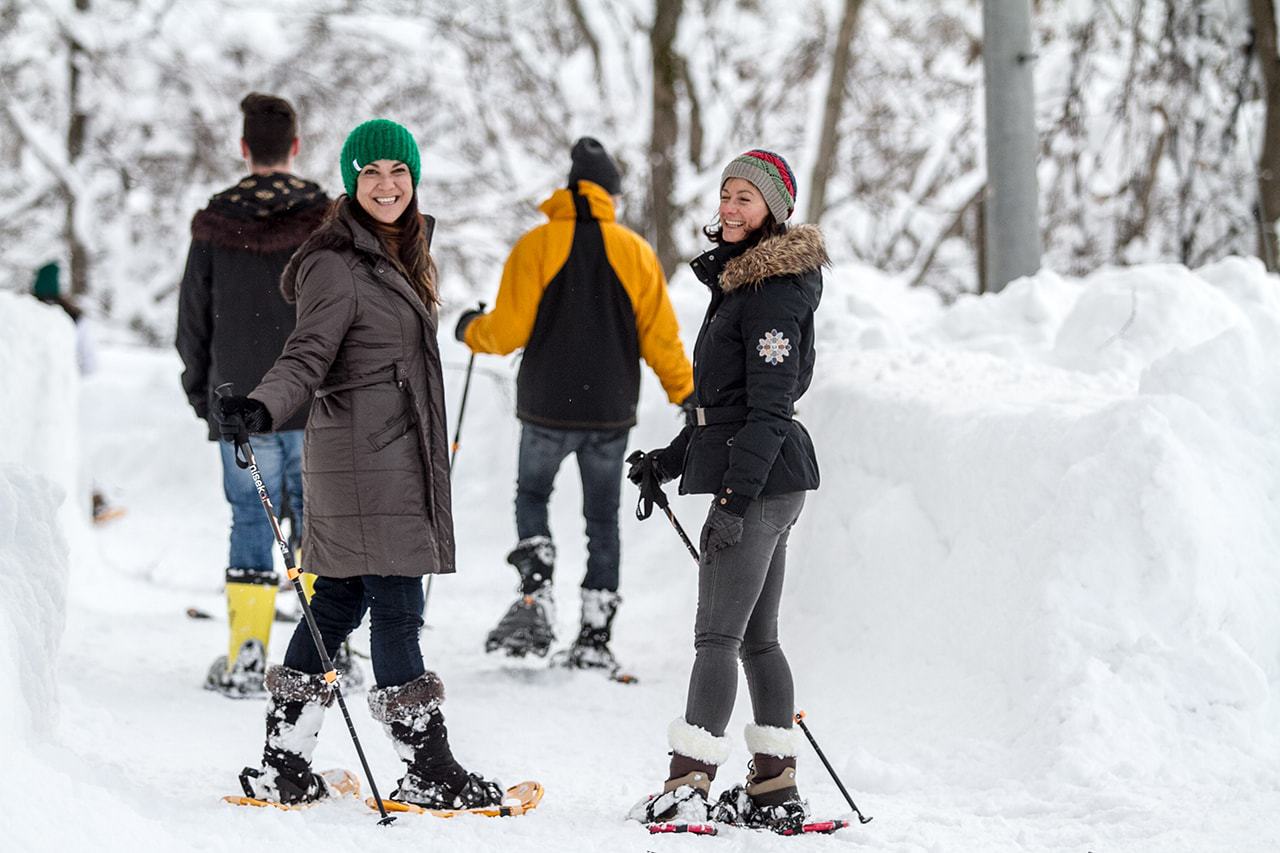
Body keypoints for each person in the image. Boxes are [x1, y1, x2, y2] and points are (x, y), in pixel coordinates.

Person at [216, 118, 505, 809]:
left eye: (398, 172)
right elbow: (305, 356)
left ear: (414, 179)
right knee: (398, 611)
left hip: (380, 460)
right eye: (370, 172)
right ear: (351, 181)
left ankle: (284, 765)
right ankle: (430, 770)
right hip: (369, 464)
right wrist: (261, 406)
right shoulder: (335, 262)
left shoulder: (394, 253)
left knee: (340, 600)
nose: (385, 184)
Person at [626, 150, 827, 833]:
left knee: (717, 636)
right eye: (727, 194)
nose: (732, 207)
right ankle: (774, 786)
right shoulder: (744, 284)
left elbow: (769, 409)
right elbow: (722, 404)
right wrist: (670, 458)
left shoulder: (772, 291)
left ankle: (688, 784)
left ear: (776, 208)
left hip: (762, 480)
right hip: (769, 474)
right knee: (756, 640)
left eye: (747, 197)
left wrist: (735, 501)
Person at [455, 137, 693, 669]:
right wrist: (688, 394)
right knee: (603, 519)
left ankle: (536, 590)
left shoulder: (536, 245)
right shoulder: (635, 252)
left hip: (546, 407)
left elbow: (508, 331)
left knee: (533, 495)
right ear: (611, 193)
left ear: (570, 186)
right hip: (609, 413)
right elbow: (661, 339)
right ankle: (594, 639)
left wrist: (470, 329)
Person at [176, 92, 331, 698]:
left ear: (244, 148)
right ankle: (323, 649)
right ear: (295, 147)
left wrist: (202, 396)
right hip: (315, 397)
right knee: (318, 520)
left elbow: (192, 320)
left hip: (239, 402)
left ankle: (248, 652)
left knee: (249, 516)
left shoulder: (216, 224)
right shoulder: (325, 220)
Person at [30, 261, 121, 523]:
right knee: (73, 446)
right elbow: (90, 364)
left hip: (28, 398)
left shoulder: (25, 314)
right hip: (65, 393)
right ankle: (93, 502)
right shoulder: (73, 316)